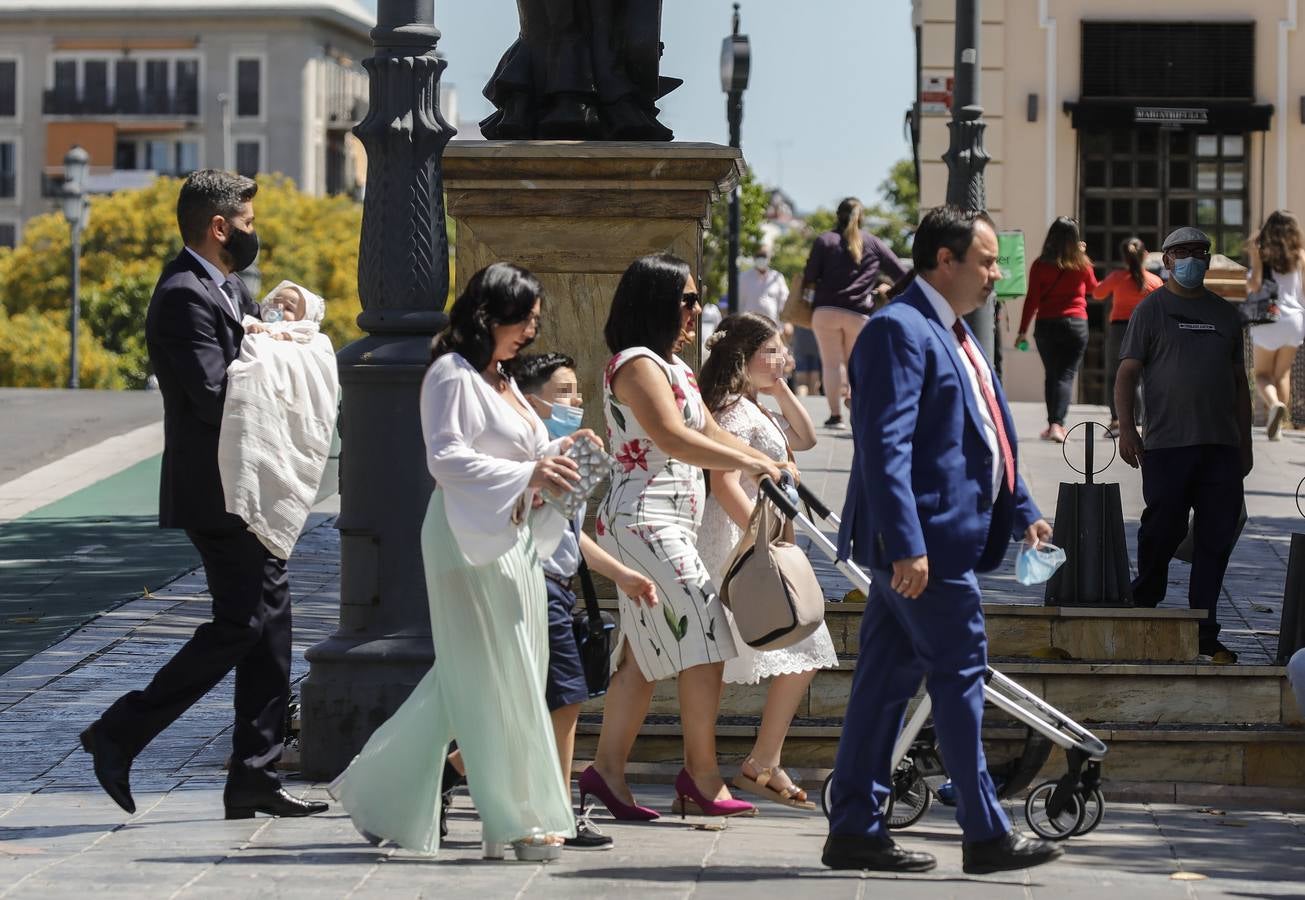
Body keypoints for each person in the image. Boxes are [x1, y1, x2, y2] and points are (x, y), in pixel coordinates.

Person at [79, 170, 327, 821]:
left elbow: (245, 358)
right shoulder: (185, 295)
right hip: (216, 493)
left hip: (240, 489)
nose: (252, 231)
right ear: (219, 227)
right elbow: (218, 395)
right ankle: (120, 731)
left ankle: (252, 775)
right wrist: (273, 357)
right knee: (243, 624)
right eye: (246, 221)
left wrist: (271, 327)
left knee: (269, 627)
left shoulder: (225, 285)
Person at [825, 205, 1060, 875]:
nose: (995, 274)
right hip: (925, 549)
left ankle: (853, 829)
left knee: (880, 686)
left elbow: (981, 436)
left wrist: (1021, 508)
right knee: (959, 676)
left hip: (939, 543)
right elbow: (883, 446)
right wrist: (905, 544)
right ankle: (984, 832)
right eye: (985, 261)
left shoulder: (952, 332)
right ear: (943, 261)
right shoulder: (898, 330)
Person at [330, 263, 590, 861]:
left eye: (534, 320)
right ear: (489, 316)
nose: (531, 330)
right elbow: (445, 460)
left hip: (516, 538)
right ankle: (515, 821)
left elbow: (518, 451)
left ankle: (380, 791)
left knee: (485, 675)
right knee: (499, 676)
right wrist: (531, 471)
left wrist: (562, 451)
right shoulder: (450, 374)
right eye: (523, 318)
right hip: (466, 539)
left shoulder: (501, 377)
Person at [580, 253, 792, 822]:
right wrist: (763, 468)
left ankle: (606, 772)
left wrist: (766, 461)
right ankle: (700, 775)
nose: (697, 310)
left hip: (669, 522)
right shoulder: (637, 363)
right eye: (688, 299)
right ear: (656, 301)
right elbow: (674, 438)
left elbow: (712, 431)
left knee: (643, 660)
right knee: (707, 635)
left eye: (697, 299)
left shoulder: (676, 366)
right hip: (641, 521)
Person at [511, 350, 660, 850]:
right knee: (564, 698)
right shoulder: (534, 457)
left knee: (539, 701)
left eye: (577, 391)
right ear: (532, 402)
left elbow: (569, 537)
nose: (576, 401)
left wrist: (624, 575)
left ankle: (451, 772)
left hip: (556, 589)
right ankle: (558, 809)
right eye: (563, 393)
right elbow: (535, 526)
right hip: (533, 588)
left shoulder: (563, 454)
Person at [697, 313, 834, 811]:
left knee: (803, 641)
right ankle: (752, 763)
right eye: (771, 351)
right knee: (795, 638)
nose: (783, 360)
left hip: (759, 539)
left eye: (782, 351)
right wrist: (758, 539)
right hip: (740, 541)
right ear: (742, 357)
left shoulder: (756, 406)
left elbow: (808, 436)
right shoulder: (732, 411)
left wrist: (779, 389)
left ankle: (763, 760)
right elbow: (722, 481)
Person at [1116, 227, 1253, 665]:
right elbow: (1126, 374)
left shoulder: (1227, 316)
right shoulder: (1151, 310)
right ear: (1168, 261)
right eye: (1183, 253)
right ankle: (1146, 600)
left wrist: (1244, 443)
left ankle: (1204, 629)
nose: (1192, 260)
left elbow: (1239, 385)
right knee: (1162, 528)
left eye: (1200, 253)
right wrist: (1127, 428)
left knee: (1216, 538)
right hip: (1168, 446)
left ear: (1208, 260)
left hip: (1221, 448)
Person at [800, 197, 908, 428]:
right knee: (856, 363)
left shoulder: (824, 241)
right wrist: (889, 291)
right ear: (861, 217)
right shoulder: (873, 243)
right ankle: (854, 403)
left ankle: (835, 415)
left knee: (830, 364)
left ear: (837, 216)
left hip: (825, 310)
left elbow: (809, 276)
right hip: (858, 314)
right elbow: (902, 273)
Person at [1016, 216, 1098, 443]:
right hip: (1076, 324)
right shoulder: (1082, 264)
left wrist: (1022, 330)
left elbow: (1032, 300)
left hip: (1047, 325)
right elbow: (1093, 289)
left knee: (1052, 374)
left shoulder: (1040, 265)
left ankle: (1053, 423)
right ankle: (1057, 425)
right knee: (1065, 375)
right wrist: (1082, 255)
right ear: (1075, 238)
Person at [1092, 237, 1163, 434]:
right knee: (1139, 377)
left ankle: (1116, 419)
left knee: (1115, 376)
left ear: (1124, 257)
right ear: (1145, 255)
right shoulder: (1154, 281)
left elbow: (1097, 293)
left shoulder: (1117, 278)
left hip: (1119, 330)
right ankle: (1138, 420)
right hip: (1144, 331)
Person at [1247, 210, 1305, 440]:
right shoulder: (1300, 255)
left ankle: (1274, 406)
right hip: (1294, 321)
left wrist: (1254, 258)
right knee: (1282, 374)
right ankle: (1279, 426)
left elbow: (1255, 286)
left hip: (1268, 316)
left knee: (1261, 373)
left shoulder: (1262, 253)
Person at [736, 247, 789, 325]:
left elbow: (784, 300)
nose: (761, 259)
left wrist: (787, 322)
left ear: (769, 258)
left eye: (764, 256)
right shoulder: (743, 277)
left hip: (772, 325)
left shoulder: (777, 277)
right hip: (748, 324)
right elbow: (738, 300)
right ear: (754, 258)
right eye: (759, 256)